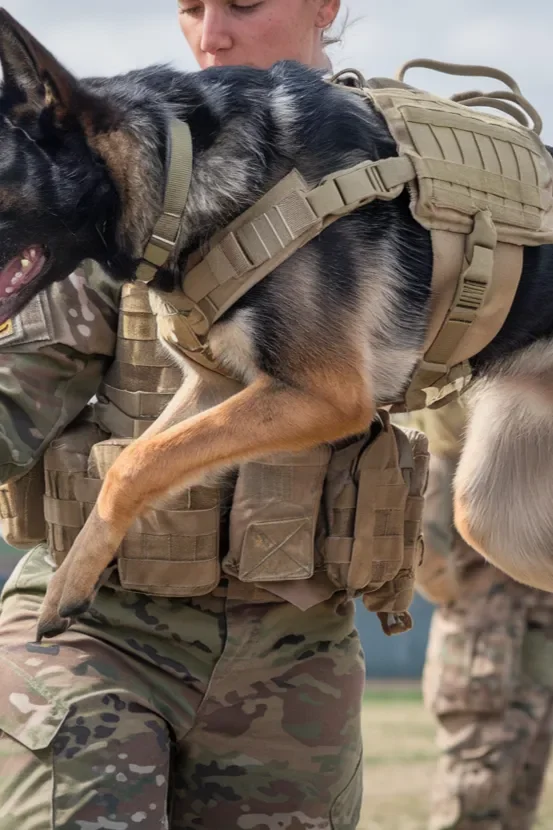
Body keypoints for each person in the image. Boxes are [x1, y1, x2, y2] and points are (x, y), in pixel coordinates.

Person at [0, 2, 429, 828]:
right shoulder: (114, 191)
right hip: (106, 636)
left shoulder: (409, 184)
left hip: (294, 651)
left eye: (241, 4)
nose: (211, 35)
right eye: (190, 9)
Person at [412, 398, 553, 830]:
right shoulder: (450, 425)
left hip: (517, 626)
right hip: (484, 631)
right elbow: (427, 557)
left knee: (518, 782)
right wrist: (465, 599)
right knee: (477, 781)